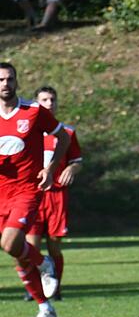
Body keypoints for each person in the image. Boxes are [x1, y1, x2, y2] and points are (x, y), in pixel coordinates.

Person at [0, 62, 70, 317]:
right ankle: (44, 307)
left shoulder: (33, 111)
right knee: (16, 249)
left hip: (26, 190)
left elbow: (62, 137)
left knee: (10, 243)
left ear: (17, 82)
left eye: (9, 79)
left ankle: (43, 263)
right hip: (0, 192)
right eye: (1, 80)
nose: (5, 84)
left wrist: (50, 169)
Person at [23, 86, 82, 301]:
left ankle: (55, 288)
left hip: (57, 195)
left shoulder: (66, 132)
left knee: (55, 245)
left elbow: (77, 162)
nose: (49, 104)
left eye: (52, 100)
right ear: (37, 103)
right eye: (44, 100)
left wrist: (70, 169)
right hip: (33, 194)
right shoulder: (28, 130)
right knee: (31, 245)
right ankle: (34, 290)